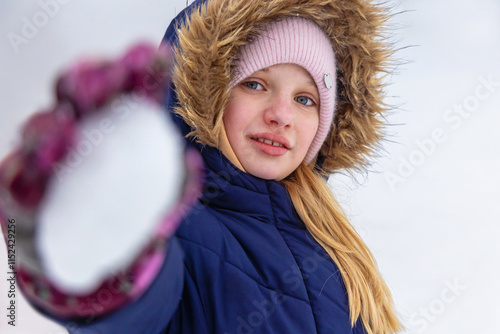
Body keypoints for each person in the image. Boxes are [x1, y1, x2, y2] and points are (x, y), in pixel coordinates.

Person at [1, 0, 402, 333]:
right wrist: (95, 246)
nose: (282, 115)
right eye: (255, 84)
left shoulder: (336, 248)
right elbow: (140, 306)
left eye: (305, 99)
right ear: (205, 97)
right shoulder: (177, 227)